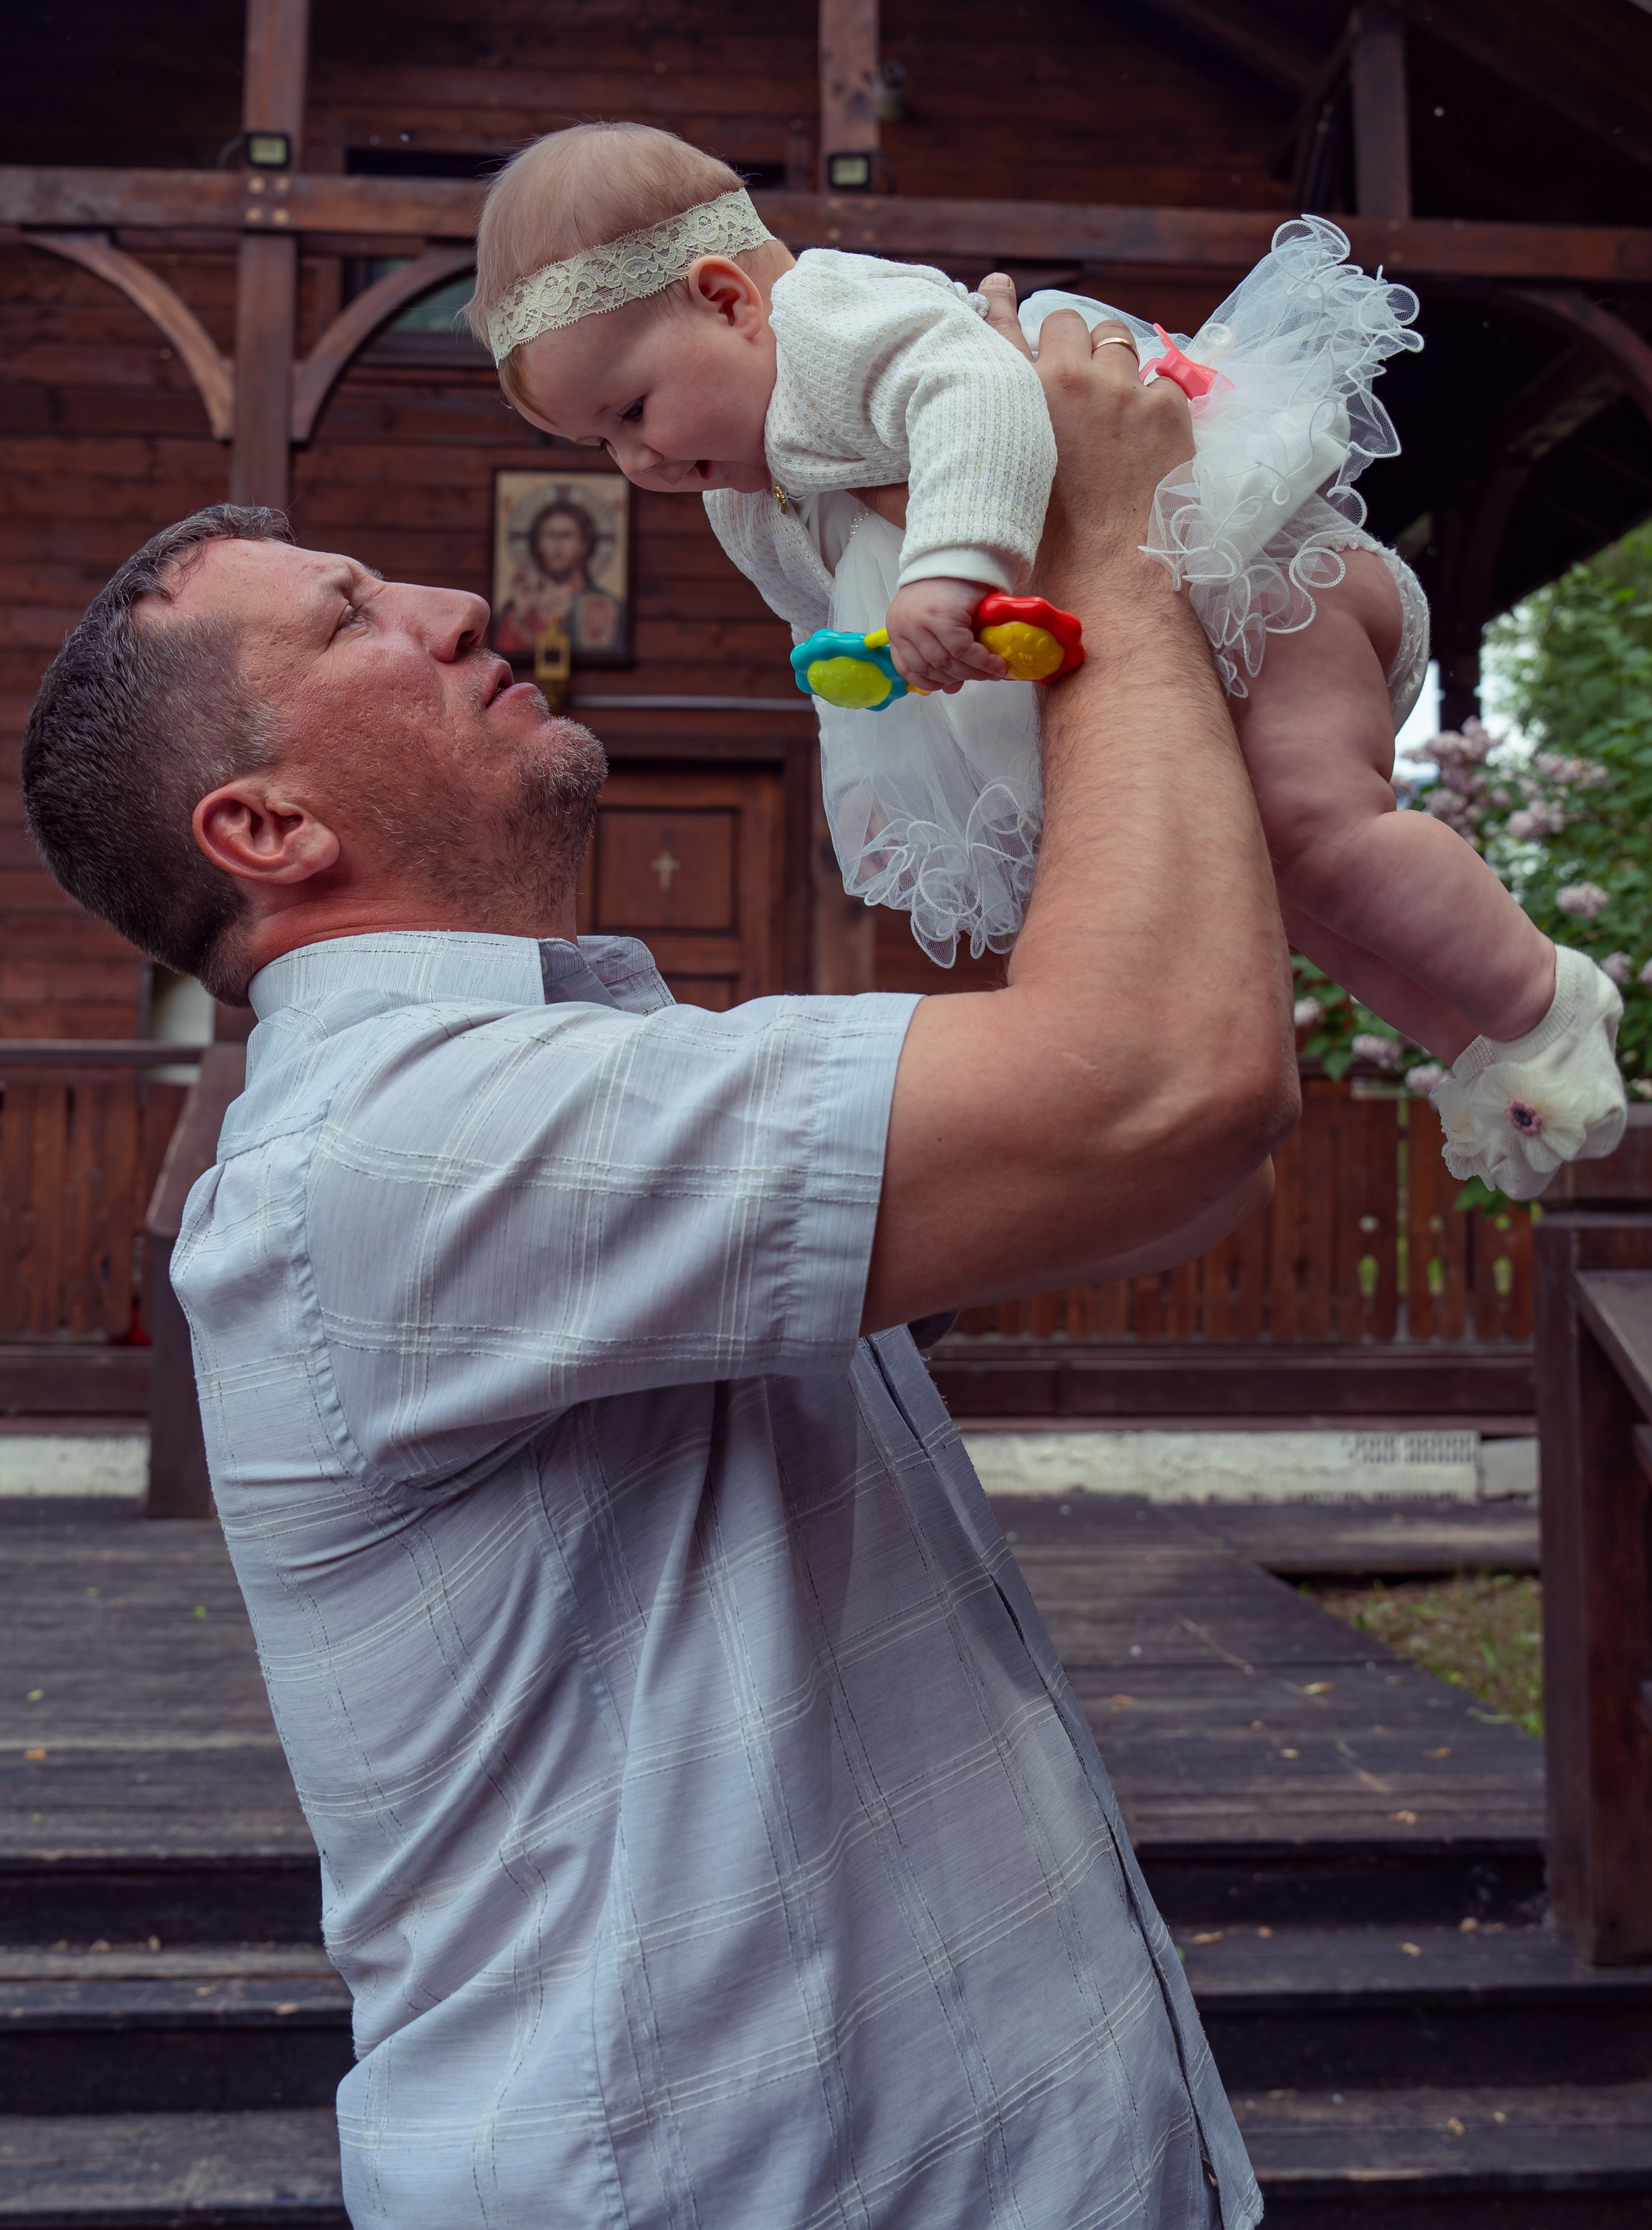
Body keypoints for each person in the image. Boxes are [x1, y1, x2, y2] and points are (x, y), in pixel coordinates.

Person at [22, 306, 1295, 2230]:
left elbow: (1150, 1168)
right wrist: (1104, 548)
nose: (457, 602)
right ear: (266, 827)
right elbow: (1166, 1088)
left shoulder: (529, 1091)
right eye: (354, 616)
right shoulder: (404, 1139)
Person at [476, 122, 1626, 1202]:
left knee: (1317, 821)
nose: (635, 460)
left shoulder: (827, 318)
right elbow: (819, 614)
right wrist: (871, 685)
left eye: (633, 410)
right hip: (1179, 631)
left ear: (727, 301)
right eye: (599, 443)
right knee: (1281, 876)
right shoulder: (744, 489)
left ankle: (1544, 994)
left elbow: (971, 395)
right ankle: (1489, 1051)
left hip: (1259, 588)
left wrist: (949, 572)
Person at [493, 492, 622, 659]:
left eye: (566, 535)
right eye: (550, 536)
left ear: (584, 544)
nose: (557, 545)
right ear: (537, 544)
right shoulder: (517, 607)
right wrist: (521, 617)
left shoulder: (603, 605)